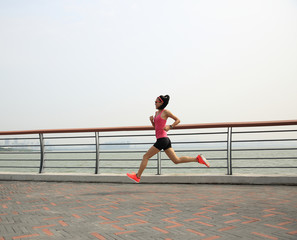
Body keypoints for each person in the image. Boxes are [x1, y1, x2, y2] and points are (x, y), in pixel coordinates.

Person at [127, 95, 210, 183]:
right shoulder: (156, 113)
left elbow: (177, 120)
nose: (154, 103)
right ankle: (197, 159)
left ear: (161, 102)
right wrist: (152, 121)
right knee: (176, 160)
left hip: (162, 140)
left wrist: (170, 126)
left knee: (145, 157)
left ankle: (137, 176)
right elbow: (156, 128)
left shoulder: (165, 112)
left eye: (156, 102)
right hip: (163, 139)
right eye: (154, 102)